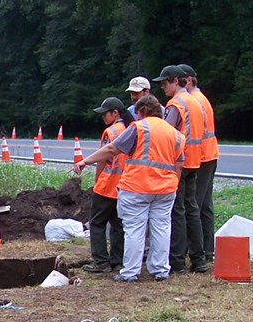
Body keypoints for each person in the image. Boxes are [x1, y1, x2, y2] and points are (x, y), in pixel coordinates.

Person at [73, 95, 184, 282]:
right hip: (166, 188)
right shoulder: (175, 134)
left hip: (137, 187)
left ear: (143, 111)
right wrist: (174, 184)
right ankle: (160, 270)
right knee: (162, 228)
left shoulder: (139, 128)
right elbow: (179, 163)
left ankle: (130, 272)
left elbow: (112, 149)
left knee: (134, 230)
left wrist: (86, 161)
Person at [154, 64, 207, 274]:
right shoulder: (195, 101)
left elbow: (166, 131)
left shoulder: (176, 104)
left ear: (176, 81)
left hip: (178, 161)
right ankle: (198, 259)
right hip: (194, 160)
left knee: (177, 211)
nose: (162, 88)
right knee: (192, 209)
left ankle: (176, 261)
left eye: (164, 83)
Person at [82, 97, 135, 273]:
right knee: (118, 224)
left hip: (108, 185)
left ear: (115, 113)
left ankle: (101, 261)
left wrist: (97, 180)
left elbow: (103, 159)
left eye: (105, 113)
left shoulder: (110, 132)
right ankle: (117, 261)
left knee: (97, 223)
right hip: (125, 185)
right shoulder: (131, 129)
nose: (103, 117)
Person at [179, 64, 218, 270]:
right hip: (208, 154)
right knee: (204, 206)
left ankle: (196, 249)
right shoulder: (200, 99)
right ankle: (206, 249)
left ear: (189, 80)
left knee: (194, 205)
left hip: (201, 157)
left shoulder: (194, 101)